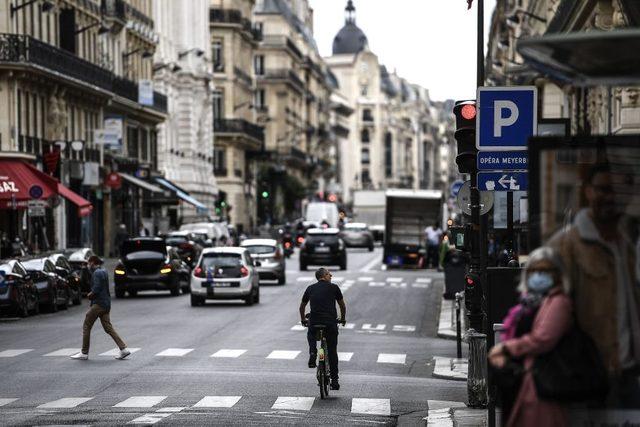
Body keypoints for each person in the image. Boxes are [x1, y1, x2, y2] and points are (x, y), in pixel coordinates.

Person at [548, 164, 640, 408]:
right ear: (588, 192)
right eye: (603, 189)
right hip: (588, 379)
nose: (611, 197)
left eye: (618, 190)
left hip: (629, 376)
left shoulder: (628, 247)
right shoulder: (566, 246)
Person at [489, 246, 573, 427]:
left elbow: (542, 339)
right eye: (534, 270)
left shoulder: (558, 302)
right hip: (525, 380)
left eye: (545, 270)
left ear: (558, 274)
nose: (538, 275)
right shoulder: (529, 301)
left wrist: (506, 349)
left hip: (542, 383)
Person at [70, 256, 131, 361]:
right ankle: (123, 349)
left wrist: (90, 294)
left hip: (99, 304)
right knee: (108, 328)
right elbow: (89, 281)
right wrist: (85, 270)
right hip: (106, 304)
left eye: (89, 263)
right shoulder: (103, 271)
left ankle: (84, 352)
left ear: (93, 262)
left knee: (86, 324)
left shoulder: (97, 273)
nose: (88, 265)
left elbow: (96, 287)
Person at [299, 268, 346, 390]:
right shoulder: (334, 288)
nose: (331, 275)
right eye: (328, 274)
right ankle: (334, 381)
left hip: (314, 321)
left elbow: (302, 306)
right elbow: (342, 305)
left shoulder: (310, 288)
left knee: (311, 332)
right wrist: (343, 319)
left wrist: (303, 319)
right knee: (332, 351)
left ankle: (313, 352)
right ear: (324, 276)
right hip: (330, 323)